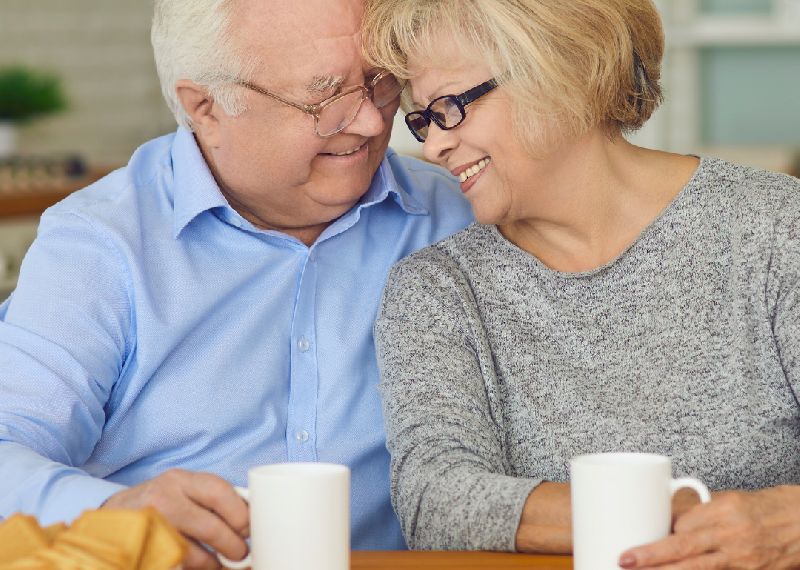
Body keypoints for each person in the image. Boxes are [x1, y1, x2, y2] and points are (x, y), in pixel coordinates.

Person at [0, 0, 474, 567]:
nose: (374, 122)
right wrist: (116, 510)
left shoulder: (459, 214)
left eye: (379, 83)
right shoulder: (102, 245)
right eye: (323, 98)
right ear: (205, 107)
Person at [363, 0, 800, 568]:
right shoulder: (437, 289)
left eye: (448, 108)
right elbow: (437, 501)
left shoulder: (777, 232)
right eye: (421, 120)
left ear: (562, 71)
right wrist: (666, 516)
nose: (433, 147)